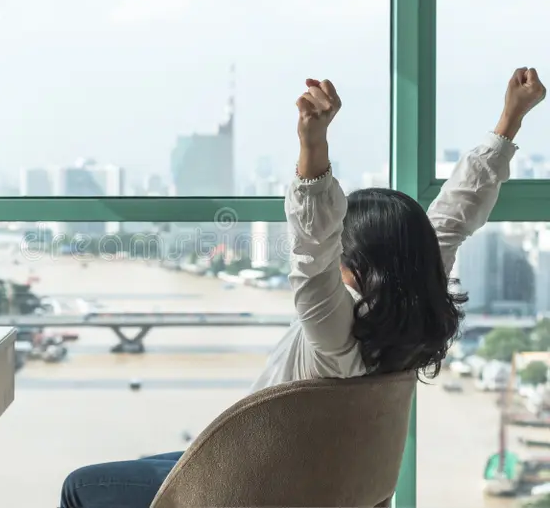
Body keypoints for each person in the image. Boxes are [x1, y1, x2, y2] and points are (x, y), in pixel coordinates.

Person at [58, 68, 546, 508]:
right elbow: (454, 216)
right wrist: (509, 121)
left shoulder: (336, 335)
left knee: (81, 487)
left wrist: (312, 147)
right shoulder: (407, 315)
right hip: (311, 482)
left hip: (250, 485)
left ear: (356, 259)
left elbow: (312, 250)